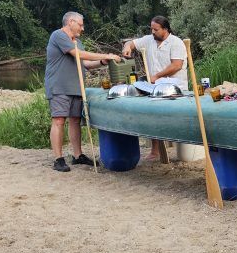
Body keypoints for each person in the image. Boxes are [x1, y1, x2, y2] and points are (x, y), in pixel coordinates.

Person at [45, 11, 122, 172]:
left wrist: (102, 61)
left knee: (75, 121)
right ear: (70, 22)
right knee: (59, 120)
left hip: (77, 87)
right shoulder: (58, 36)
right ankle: (58, 159)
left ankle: (78, 155)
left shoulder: (78, 41)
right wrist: (105, 53)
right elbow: (77, 54)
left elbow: (85, 63)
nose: (83, 28)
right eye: (80, 25)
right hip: (59, 87)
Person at [122, 15, 188, 160]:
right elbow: (131, 43)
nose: (153, 32)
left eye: (156, 29)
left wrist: (156, 76)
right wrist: (127, 47)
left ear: (165, 29)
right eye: (151, 28)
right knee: (153, 114)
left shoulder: (176, 43)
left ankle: (181, 148)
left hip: (175, 87)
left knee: (174, 118)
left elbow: (177, 65)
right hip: (156, 87)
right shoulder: (149, 40)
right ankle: (155, 150)